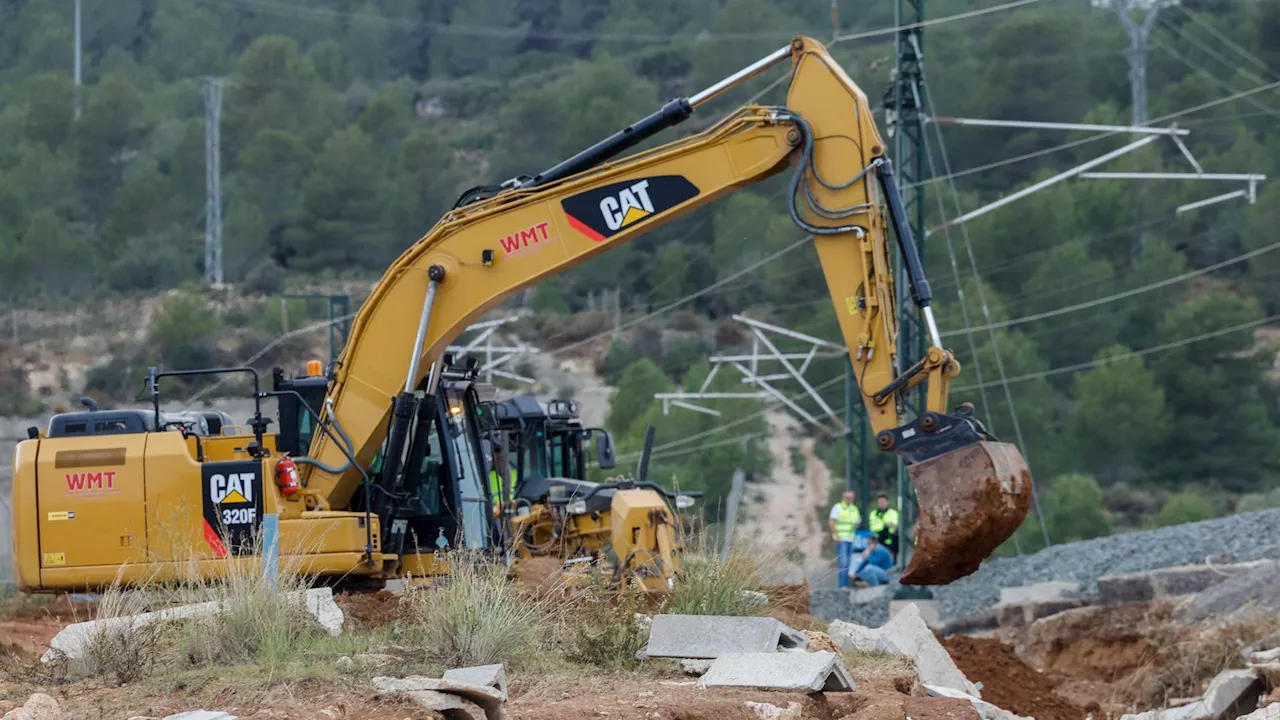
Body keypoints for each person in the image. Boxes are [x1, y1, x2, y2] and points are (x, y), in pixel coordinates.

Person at [828, 490, 862, 588]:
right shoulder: (838, 507)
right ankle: (842, 584)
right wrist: (837, 536)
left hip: (850, 538)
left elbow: (857, 522)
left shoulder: (854, 509)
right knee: (843, 562)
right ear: (843, 498)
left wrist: (855, 525)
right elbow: (832, 522)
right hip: (841, 539)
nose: (849, 500)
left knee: (848, 563)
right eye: (847, 498)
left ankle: (847, 584)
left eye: (851, 498)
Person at [868, 493, 900, 562]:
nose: (881, 504)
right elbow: (873, 527)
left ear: (887, 502)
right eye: (879, 502)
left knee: (891, 557)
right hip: (878, 538)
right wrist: (885, 525)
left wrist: (883, 524)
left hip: (890, 538)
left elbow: (894, 526)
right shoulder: (873, 513)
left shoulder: (893, 512)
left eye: (883, 501)